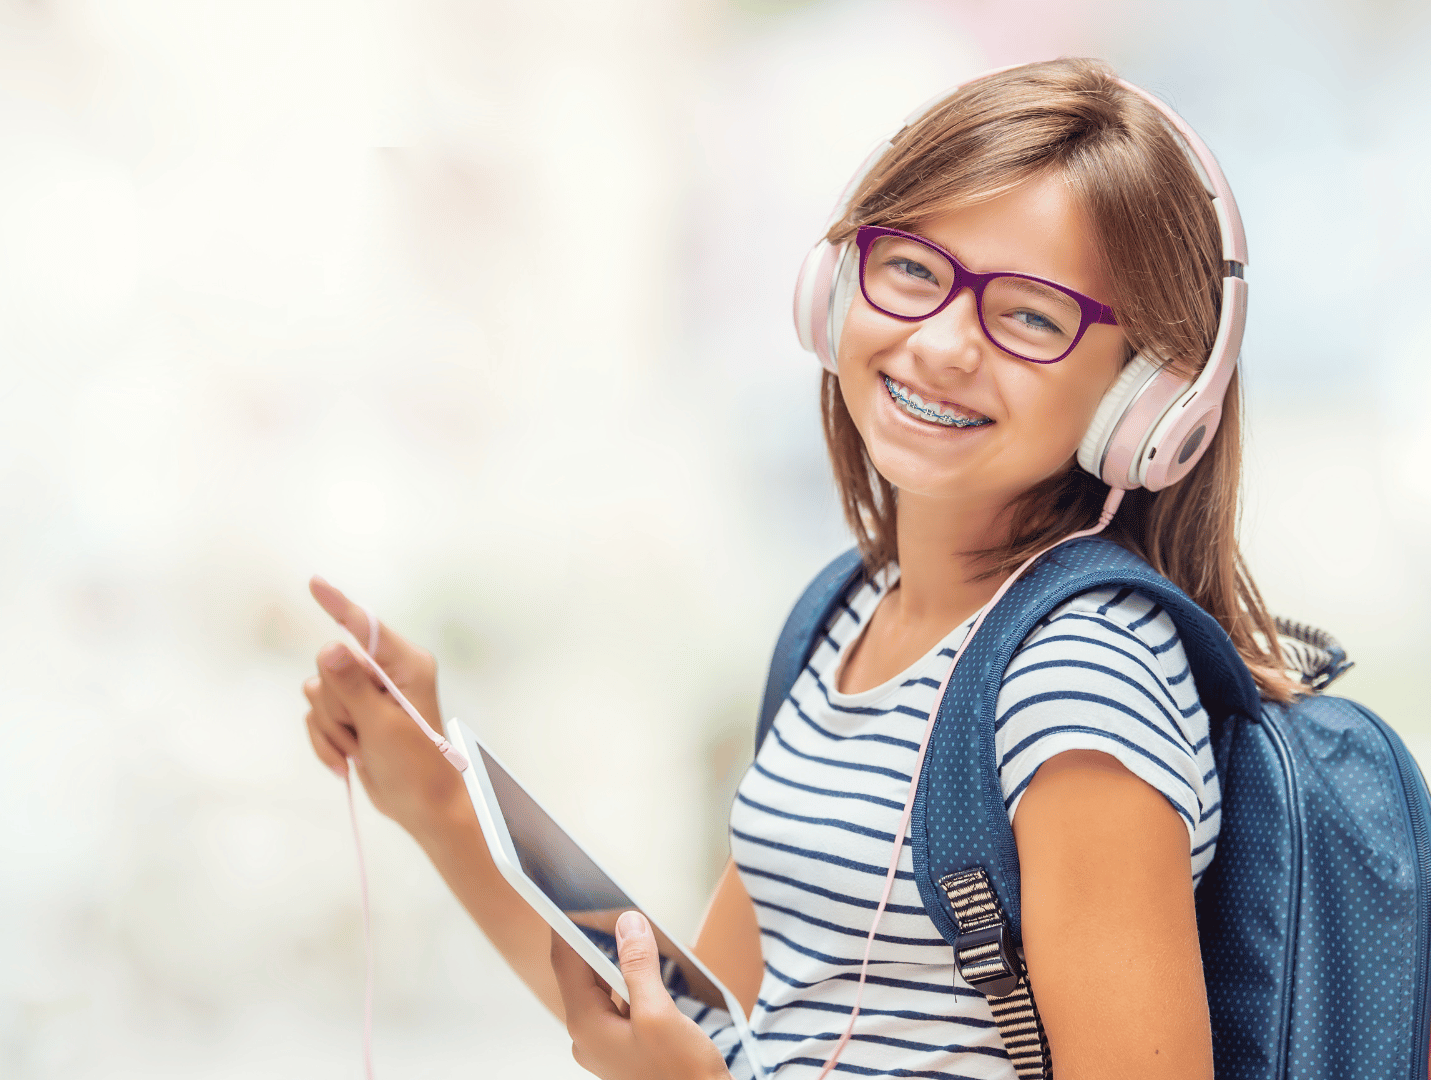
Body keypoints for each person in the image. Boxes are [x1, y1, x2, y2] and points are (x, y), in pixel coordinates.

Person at [300, 58, 1295, 1080]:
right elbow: (716, 1028)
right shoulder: (847, 618)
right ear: (835, 287)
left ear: (1149, 403)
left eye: (1031, 317)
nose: (945, 343)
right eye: (912, 269)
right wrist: (431, 793)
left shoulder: (1079, 679)